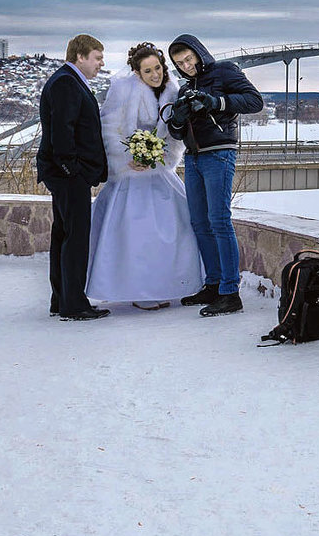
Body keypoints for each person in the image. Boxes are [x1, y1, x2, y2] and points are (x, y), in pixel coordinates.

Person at [86, 43, 204, 310]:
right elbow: (109, 129)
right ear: (137, 73)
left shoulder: (174, 91)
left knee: (176, 230)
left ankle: (165, 287)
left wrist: (160, 157)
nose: (155, 74)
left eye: (158, 68)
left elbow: (176, 135)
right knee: (135, 236)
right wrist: (127, 158)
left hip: (159, 171)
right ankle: (140, 292)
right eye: (148, 70)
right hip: (129, 175)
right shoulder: (123, 90)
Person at [166, 34, 263, 317]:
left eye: (189, 59)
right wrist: (178, 118)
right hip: (194, 157)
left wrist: (214, 102)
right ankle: (213, 284)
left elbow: (254, 101)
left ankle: (230, 292)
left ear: (199, 53)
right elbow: (176, 132)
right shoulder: (185, 89)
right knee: (199, 222)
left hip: (219, 152)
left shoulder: (225, 70)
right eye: (180, 63)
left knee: (219, 221)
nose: (186, 66)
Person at [36, 34, 110, 321]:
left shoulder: (67, 79)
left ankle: (62, 299)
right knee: (75, 239)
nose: (101, 64)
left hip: (65, 174)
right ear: (80, 56)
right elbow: (62, 131)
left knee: (64, 236)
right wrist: (72, 169)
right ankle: (74, 304)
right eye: (98, 57)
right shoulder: (67, 82)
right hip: (68, 176)